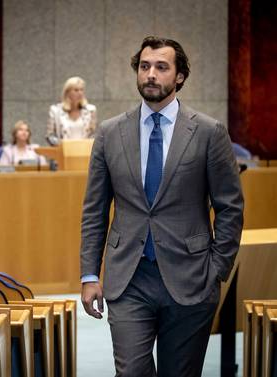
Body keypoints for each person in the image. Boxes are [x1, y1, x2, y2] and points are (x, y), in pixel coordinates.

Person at [80, 36, 244, 377]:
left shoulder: (209, 132)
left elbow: (230, 208)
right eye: (144, 66)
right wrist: (90, 274)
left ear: (180, 76)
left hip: (191, 279)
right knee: (131, 372)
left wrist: (216, 270)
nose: (150, 74)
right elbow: (95, 210)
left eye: (161, 67)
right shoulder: (110, 134)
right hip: (129, 278)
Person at [46, 76, 97, 141]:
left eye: (81, 90)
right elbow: (50, 136)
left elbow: (93, 134)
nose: (80, 93)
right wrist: (63, 145)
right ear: (67, 92)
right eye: (76, 90)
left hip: (84, 150)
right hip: (64, 150)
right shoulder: (55, 110)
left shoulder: (91, 110)